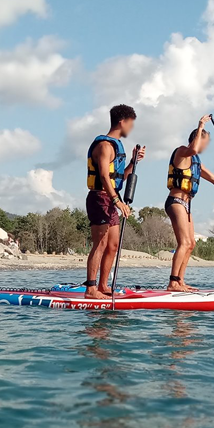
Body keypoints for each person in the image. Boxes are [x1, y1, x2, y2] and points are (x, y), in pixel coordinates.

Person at [166, 114, 214, 292]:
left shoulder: (196, 161)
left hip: (187, 204)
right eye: (206, 141)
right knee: (184, 242)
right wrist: (201, 125)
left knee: (191, 243)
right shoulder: (182, 152)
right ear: (198, 138)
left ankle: (180, 281)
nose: (206, 146)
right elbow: (193, 149)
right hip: (176, 201)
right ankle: (172, 283)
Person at [84, 104, 146, 299]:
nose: (131, 128)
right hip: (100, 198)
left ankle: (103, 285)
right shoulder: (104, 146)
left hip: (110, 199)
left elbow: (119, 177)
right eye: (131, 124)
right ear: (122, 121)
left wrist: (133, 163)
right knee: (100, 244)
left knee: (113, 245)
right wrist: (117, 201)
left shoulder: (116, 147)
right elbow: (103, 176)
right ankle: (90, 289)